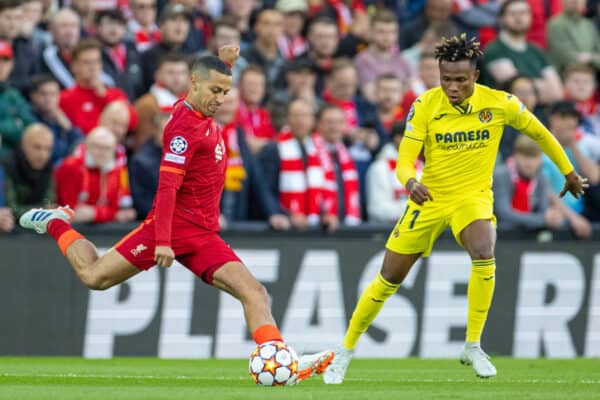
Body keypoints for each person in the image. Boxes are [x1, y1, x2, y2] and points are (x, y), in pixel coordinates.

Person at [18, 46, 333, 381]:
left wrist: (224, 62)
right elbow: (167, 189)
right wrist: (164, 241)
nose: (220, 99)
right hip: (170, 228)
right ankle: (53, 222)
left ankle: (284, 364)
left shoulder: (200, 107)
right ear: (193, 85)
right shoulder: (183, 129)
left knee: (254, 292)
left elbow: (209, 73)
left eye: (225, 92)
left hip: (202, 234)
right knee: (95, 276)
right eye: (215, 91)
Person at [323, 34, 587, 383]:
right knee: (389, 279)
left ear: (475, 76)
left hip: (472, 197)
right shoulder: (426, 105)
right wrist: (410, 183)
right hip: (430, 198)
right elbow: (405, 161)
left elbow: (540, 133)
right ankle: (346, 349)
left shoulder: (501, 103)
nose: (452, 86)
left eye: (460, 79)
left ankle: (472, 345)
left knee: (483, 249)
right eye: (446, 78)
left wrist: (568, 171)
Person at [54, 126, 136, 224]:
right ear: (87, 146)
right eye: (98, 147)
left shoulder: (117, 172)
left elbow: (116, 210)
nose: (102, 153)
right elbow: (69, 212)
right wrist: (108, 214)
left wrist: (94, 214)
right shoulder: (71, 167)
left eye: (107, 148)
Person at [493, 134, 563, 231]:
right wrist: (543, 220)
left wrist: (552, 217)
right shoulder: (501, 175)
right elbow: (504, 214)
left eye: (534, 157)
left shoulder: (542, 179)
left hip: (530, 238)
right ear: (515, 155)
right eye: (525, 156)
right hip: (502, 236)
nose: (529, 163)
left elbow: (543, 211)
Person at [2, 123, 54, 219]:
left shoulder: (48, 167)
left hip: (38, 227)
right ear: (23, 146)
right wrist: (42, 211)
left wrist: (44, 210)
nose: (43, 155)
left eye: (48, 149)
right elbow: (10, 208)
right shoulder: (8, 166)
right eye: (37, 147)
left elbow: (49, 202)